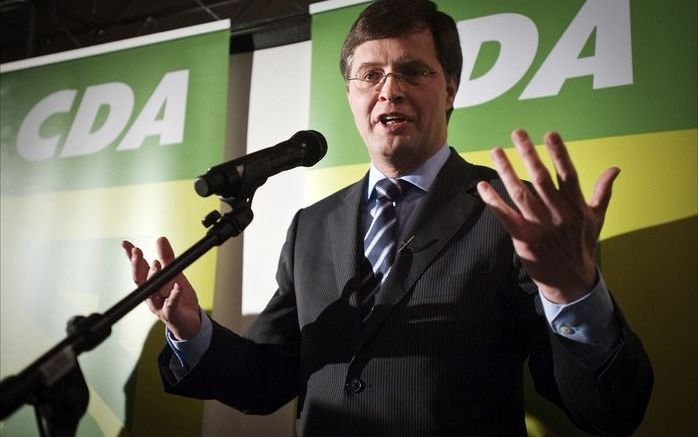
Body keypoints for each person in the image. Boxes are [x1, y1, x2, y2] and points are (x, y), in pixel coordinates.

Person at [122, 1, 653, 435]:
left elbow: (605, 411)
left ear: (450, 89)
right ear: (352, 95)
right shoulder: (312, 226)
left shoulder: (519, 218)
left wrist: (574, 292)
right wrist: (191, 331)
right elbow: (267, 379)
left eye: (413, 71)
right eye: (369, 75)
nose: (389, 90)